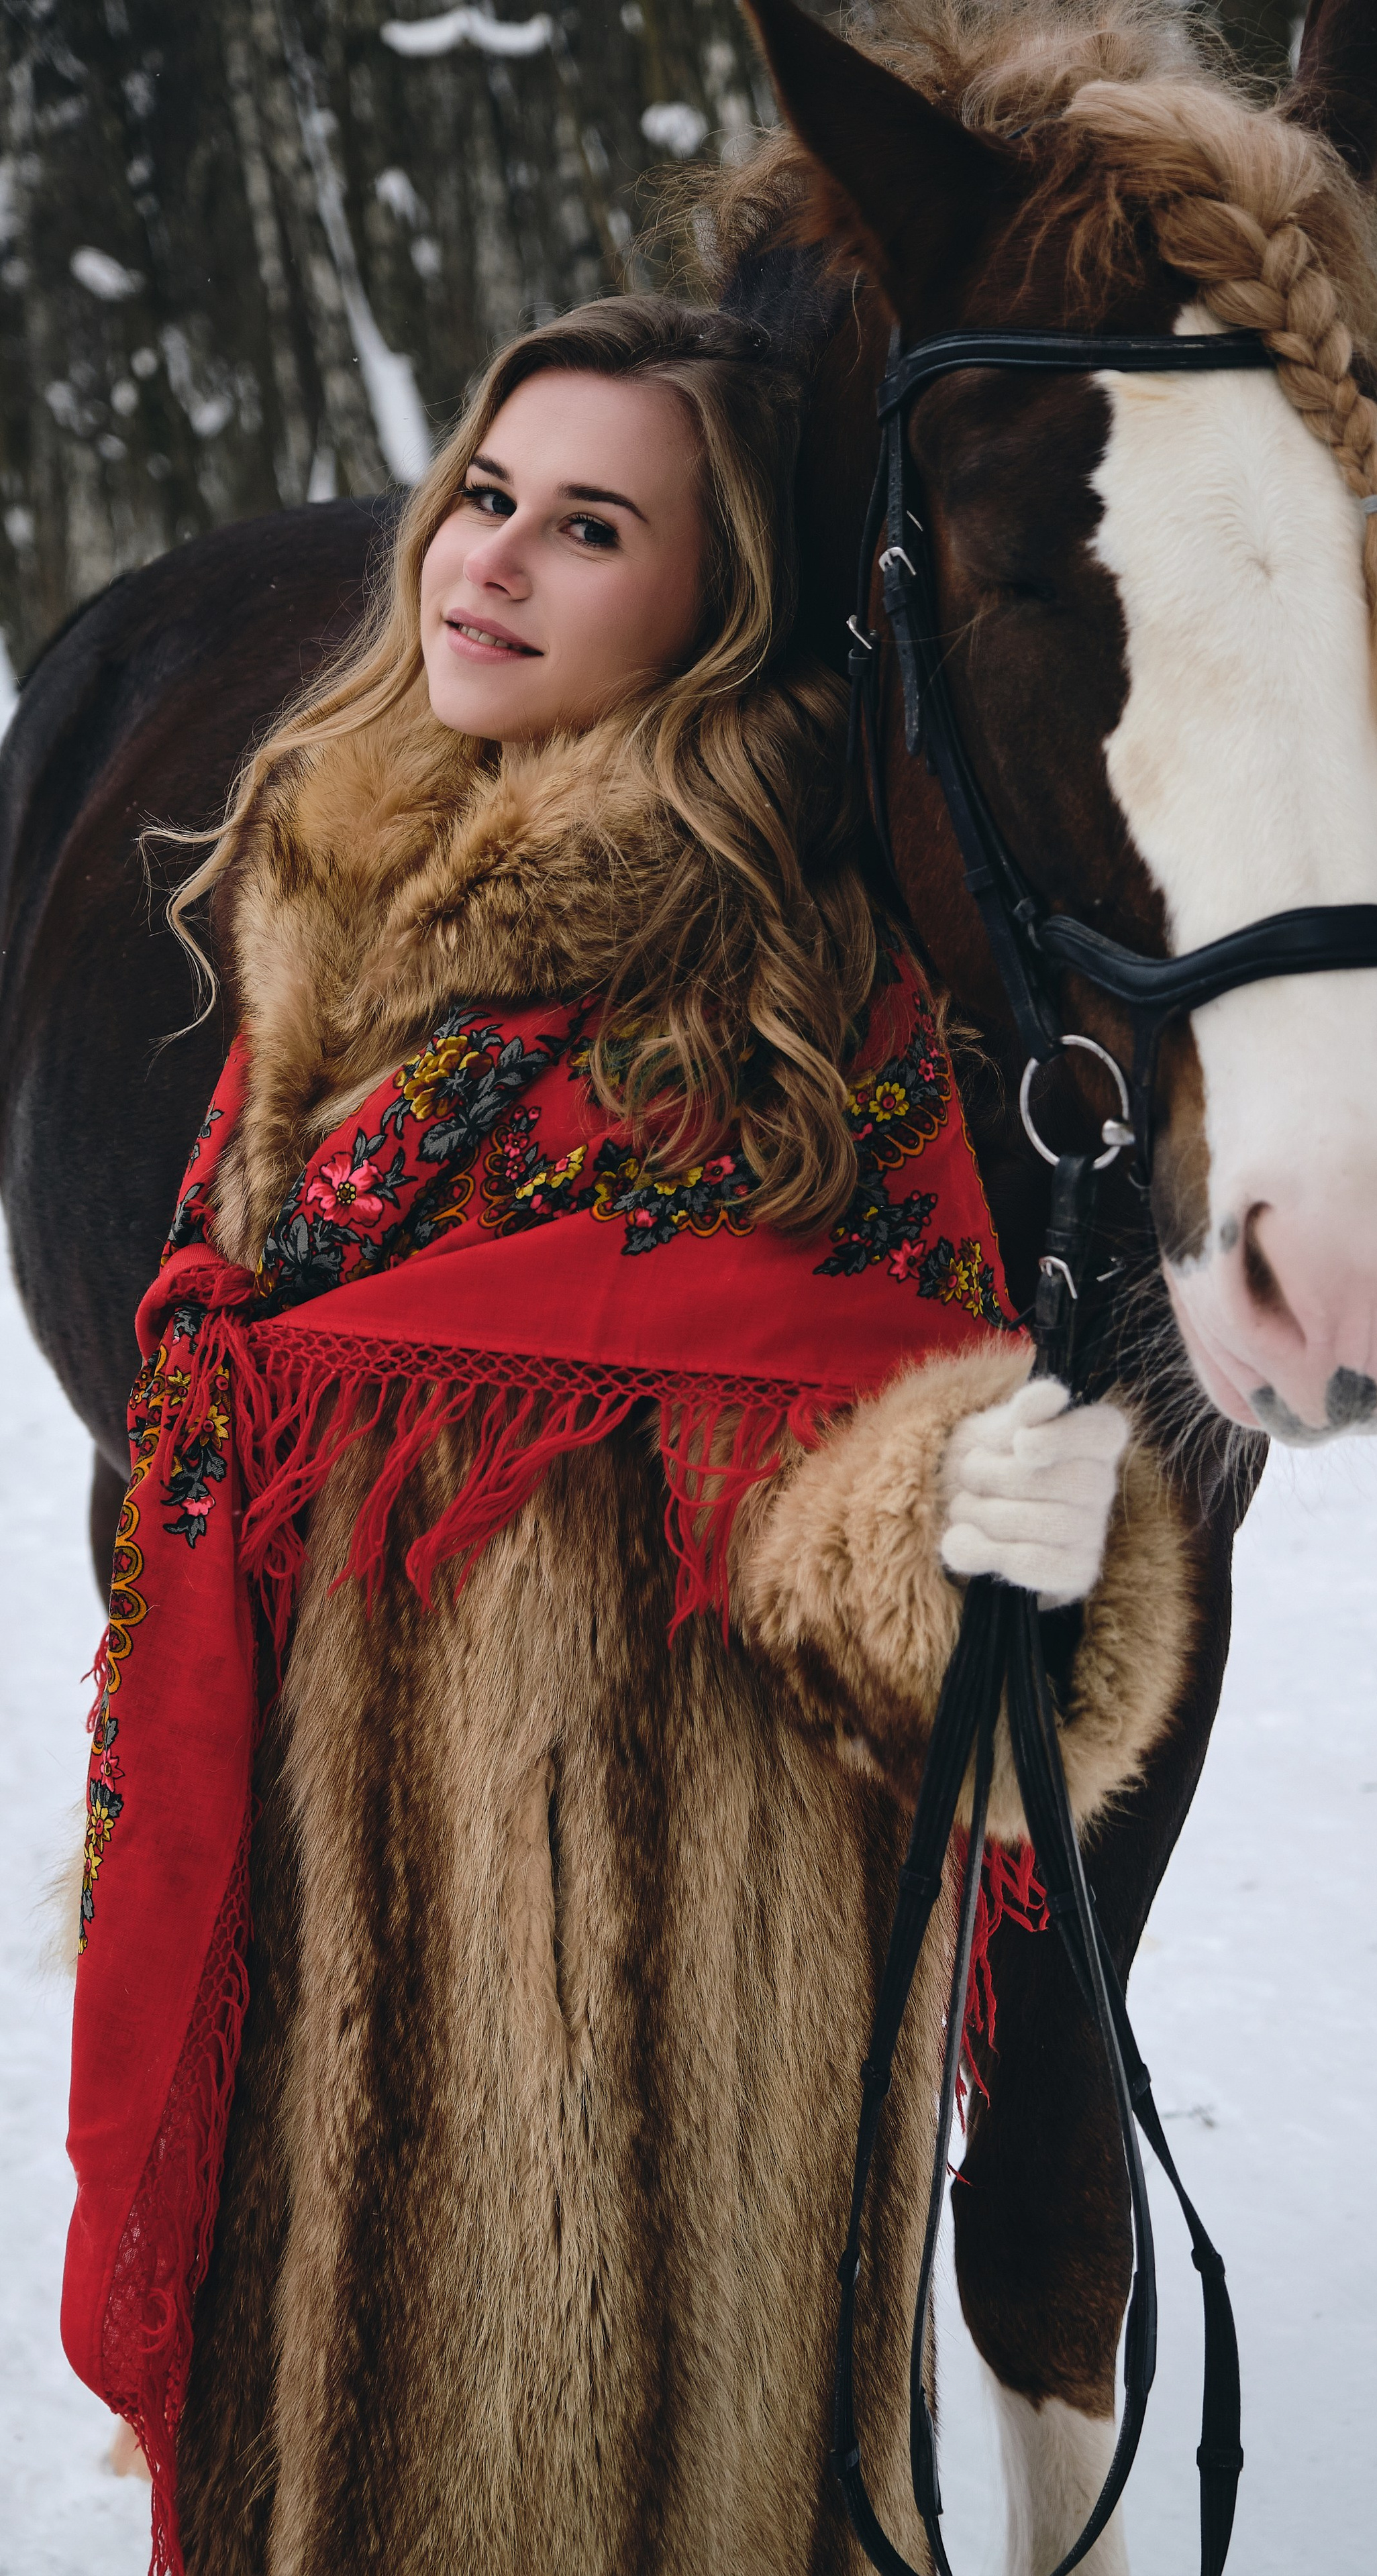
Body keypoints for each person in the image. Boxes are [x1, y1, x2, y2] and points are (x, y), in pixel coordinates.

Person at [64, 297, 1190, 2575]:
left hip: (678, 2080)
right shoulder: (321, 875)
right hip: (332, 2050)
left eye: (588, 529)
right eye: (486, 496)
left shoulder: (784, 989)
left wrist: (966, 1516)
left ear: (721, 600)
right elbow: (221, 1391)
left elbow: (907, 1564)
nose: (487, 561)